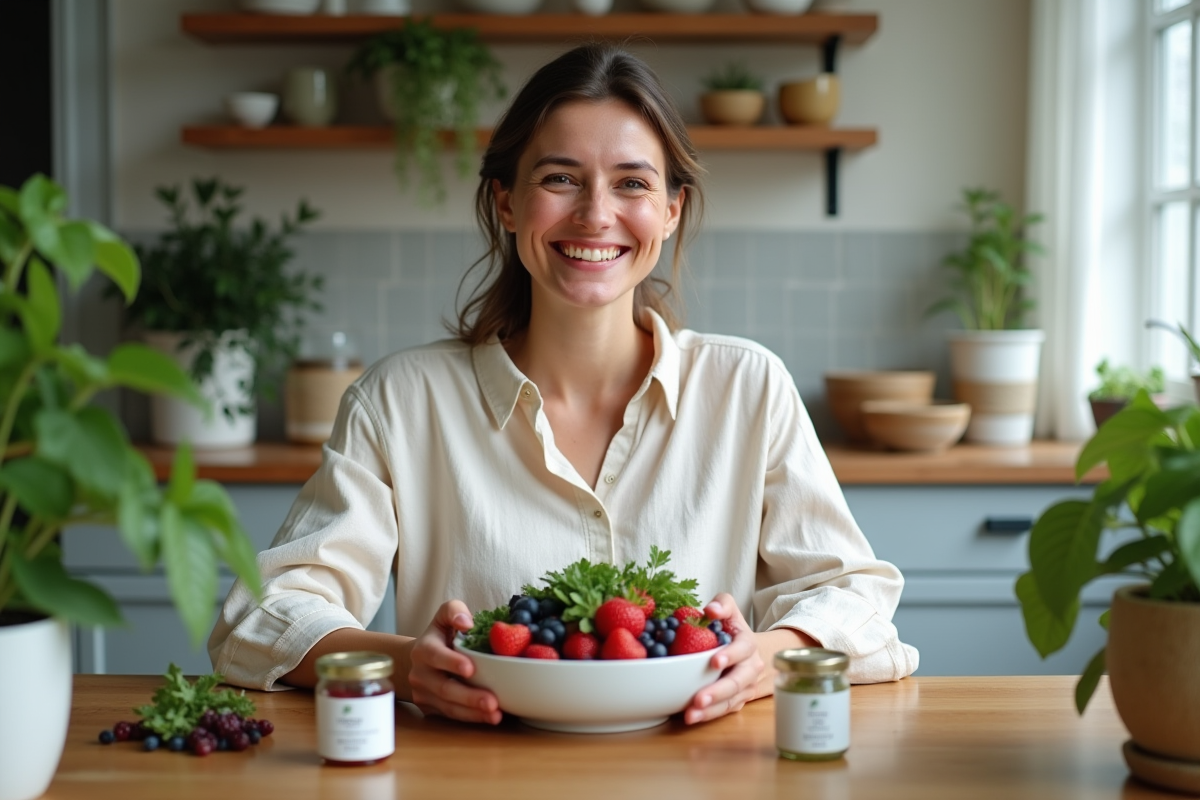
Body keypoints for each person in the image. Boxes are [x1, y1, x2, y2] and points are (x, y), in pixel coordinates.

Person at [208, 43, 918, 726]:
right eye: (559, 178)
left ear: (670, 212)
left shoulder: (748, 387)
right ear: (508, 202)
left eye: (632, 183)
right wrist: (402, 665)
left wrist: (765, 657)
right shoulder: (401, 400)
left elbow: (854, 595)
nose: (595, 214)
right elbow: (260, 616)